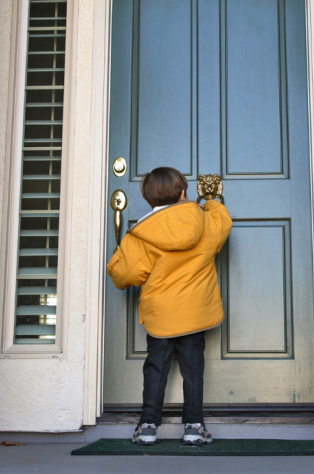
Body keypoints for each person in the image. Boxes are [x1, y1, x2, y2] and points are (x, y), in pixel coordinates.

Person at [107, 167, 232, 446]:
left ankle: (148, 425)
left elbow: (124, 276)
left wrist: (119, 257)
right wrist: (210, 199)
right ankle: (194, 426)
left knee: (156, 366)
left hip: (161, 316)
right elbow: (222, 222)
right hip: (195, 313)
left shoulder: (142, 234)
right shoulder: (206, 221)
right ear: (184, 193)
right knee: (193, 367)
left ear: (149, 199)